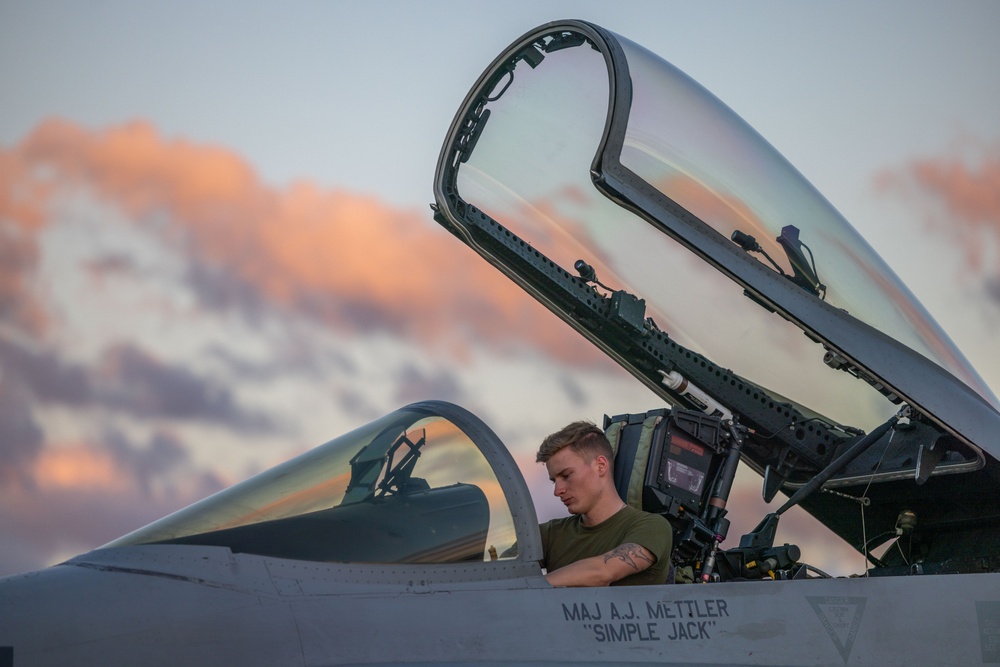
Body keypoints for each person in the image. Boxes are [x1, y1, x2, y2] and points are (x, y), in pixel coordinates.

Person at [537, 421, 672, 587]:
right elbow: (499, 567)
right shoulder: (550, 535)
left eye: (566, 476)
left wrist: (530, 586)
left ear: (600, 466)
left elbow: (603, 571)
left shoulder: (652, 527)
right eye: (554, 481)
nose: (557, 491)